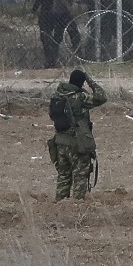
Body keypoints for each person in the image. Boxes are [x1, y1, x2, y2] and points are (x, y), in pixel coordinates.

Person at [46, 69, 107, 200]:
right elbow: (102, 97)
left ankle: (60, 207)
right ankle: (77, 209)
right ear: (82, 82)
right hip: (76, 144)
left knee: (63, 176)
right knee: (80, 176)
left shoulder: (57, 96)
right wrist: (90, 81)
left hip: (60, 143)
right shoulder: (79, 97)